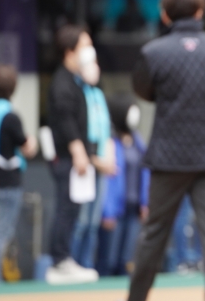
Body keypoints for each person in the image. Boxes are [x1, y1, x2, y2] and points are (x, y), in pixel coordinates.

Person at [128, 0, 205, 301]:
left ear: (165, 16)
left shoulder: (152, 52)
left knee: (153, 234)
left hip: (168, 157)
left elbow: (143, 91)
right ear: (200, 12)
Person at [46, 25, 115, 284]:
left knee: (75, 210)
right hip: (68, 159)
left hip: (81, 158)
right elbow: (65, 120)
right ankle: (60, 261)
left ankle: (67, 260)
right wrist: (78, 152)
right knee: (67, 208)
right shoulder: (62, 81)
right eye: (84, 46)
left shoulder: (79, 82)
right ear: (69, 51)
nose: (90, 51)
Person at [70, 43, 116, 270]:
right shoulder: (76, 93)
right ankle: (72, 263)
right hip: (83, 165)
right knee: (81, 220)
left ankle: (86, 264)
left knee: (93, 221)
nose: (95, 68)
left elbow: (106, 131)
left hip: (101, 165)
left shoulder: (98, 94)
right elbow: (78, 131)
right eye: (91, 64)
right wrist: (94, 159)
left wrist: (108, 158)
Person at [97, 94, 150, 276]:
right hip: (115, 212)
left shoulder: (138, 142)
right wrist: (107, 212)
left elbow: (145, 172)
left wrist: (145, 203)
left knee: (126, 261)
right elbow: (108, 181)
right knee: (107, 260)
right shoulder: (110, 142)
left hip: (133, 209)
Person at [0, 64, 38, 279]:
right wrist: (32, 142)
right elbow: (27, 147)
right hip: (6, 184)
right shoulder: (10, 117)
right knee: (2, 233)